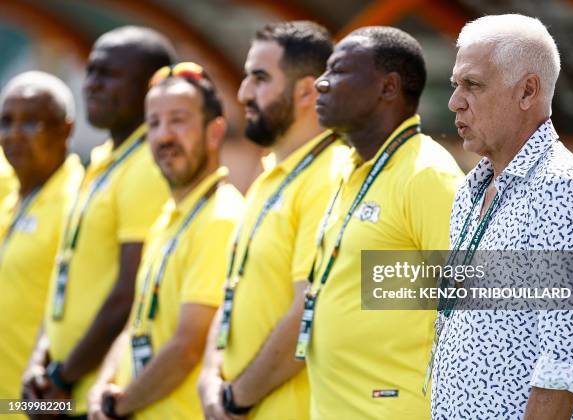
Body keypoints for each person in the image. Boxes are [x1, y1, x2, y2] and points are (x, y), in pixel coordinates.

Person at [431, 14, 573, 419]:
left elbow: (567, 362)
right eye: (455, 84)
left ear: (528, 91)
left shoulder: (563, 189)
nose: (454, 101)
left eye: (473, 84)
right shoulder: (470, 190)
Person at [301, 26, 463, 419]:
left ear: (388, 87)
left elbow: (475, 303)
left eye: (338, 71)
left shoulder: (427, 173)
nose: (321, 84)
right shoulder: (351, 168)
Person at [23, 26, 176, 418]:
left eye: (108, 74)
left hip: (93, 393)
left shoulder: (148, 167)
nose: (91, 84)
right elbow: (70, 277)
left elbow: (130, 293)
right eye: (90, 71)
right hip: (60, 386)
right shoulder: (105, 159)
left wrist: (62, 376)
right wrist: (42, 361)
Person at [198, 21, 345, 420]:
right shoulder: (267, 179)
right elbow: (234, 292)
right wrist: (210, 377)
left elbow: (307, 314)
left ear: (306, 91)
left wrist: (236, 397)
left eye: (259, 79)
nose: (243, 93)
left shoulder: (332, 175)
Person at [86, 62, 244, 420]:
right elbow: (136, 323)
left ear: (215, 132)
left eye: (178, 120)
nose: (163, 136)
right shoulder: (166, 218)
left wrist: (119, 405)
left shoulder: (222, 216)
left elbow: (188, 346)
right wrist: (102, 386)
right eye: (153, 124)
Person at [0, 72, 83, 407]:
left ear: (66, 129)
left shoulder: (78, 201)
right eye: (6, 122)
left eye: (32, 123)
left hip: (40, 404)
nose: (15, 135)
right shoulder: (12, 197)